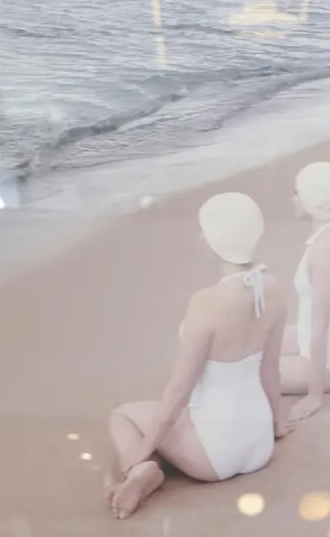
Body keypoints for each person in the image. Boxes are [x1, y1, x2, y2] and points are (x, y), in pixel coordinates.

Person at [105, 191, 290, 519]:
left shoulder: (206, 302)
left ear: (212, 240)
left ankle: (142, 470)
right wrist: (277, 423)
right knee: (172, 424)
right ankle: (151, 467)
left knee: (122, 416)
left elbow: (179, 390)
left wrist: (143, 450)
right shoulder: (272, 288)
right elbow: (269, 370)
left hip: (214, 454)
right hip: (260, 444)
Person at [280, 159, 330, 422]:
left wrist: (314, 396)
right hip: (325, 347)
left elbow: (319, 328)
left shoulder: (324, 250)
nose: (293, 198)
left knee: (250, 372)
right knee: (251, 343)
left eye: (296, 192)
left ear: (311, 198)